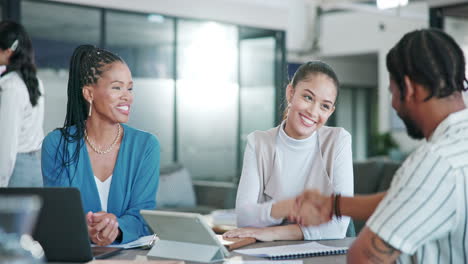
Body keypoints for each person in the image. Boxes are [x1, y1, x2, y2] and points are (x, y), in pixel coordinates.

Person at [292, 28, 468, 263]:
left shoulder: (437, 161)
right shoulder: (456, 150)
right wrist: (331, 205)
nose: (394, 104)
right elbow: (410, 196)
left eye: (392, 92)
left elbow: (363, 257)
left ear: (409, 87)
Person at [41, 45, 160, 246]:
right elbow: (58, 214)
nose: (127, 96)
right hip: (76, 255)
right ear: (89, 93)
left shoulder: (146, 146)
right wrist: (83, 227)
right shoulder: (57, 144)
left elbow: (143, 216)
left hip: (129, 258)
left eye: (129, 88)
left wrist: (116, 226)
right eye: (116, 87)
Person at [223, 61, 354, 241]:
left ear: (330, 111)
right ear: (291, 93)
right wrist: (291, 206)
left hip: (324, 252)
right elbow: (244, 217)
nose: (313, 112)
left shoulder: (338, 140)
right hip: (269, 253)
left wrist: (272, 232)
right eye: (308, 97)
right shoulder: (259, 142)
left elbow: (338, 225)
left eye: (324, 106)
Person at [0, 21, 44, 187]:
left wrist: (1, 183)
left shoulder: (10, 85)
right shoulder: (36, 81)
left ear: (8, 51)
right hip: (34, 167)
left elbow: (7, 142)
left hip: (14, 169)